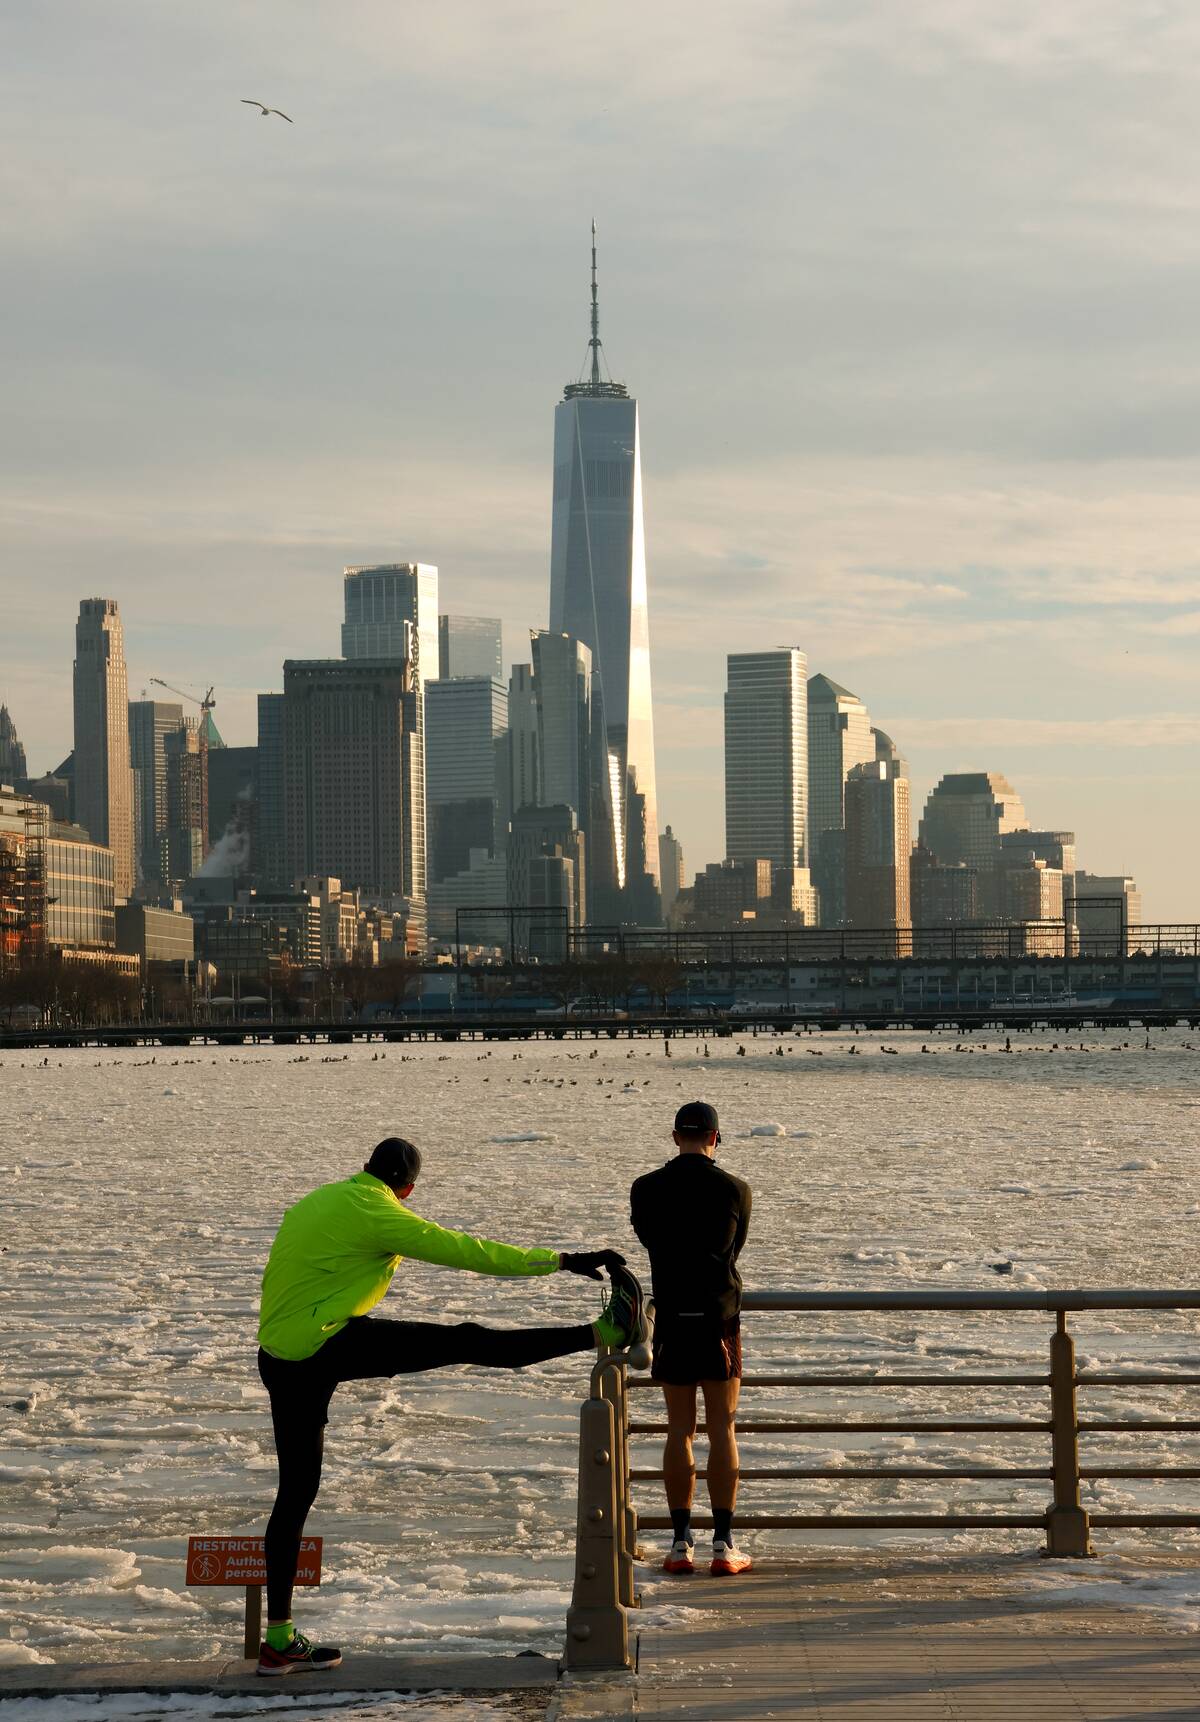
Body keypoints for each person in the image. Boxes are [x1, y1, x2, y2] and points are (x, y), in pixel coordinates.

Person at [255, 1135, 645, 1676]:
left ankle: (277, 1640)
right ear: (408, 1188)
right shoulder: (380, 1213)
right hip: (324, 1345)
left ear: (365, 1167)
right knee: (466, 1339)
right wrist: (565, 1260)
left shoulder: (317, 1200)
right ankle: (601, 1331)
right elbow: (470, 1252)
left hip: (278, 1355)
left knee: (295, 1494)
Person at [629, 1101, 752, 1577]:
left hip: (674, 1316)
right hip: (719, 1315)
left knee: (679, 1428)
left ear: (675, 1136)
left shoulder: (647, 1188)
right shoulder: (734, 1189)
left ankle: (681, 1543)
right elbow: (733, 1248)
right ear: (716, 1138)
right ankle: (723, 1543)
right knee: (722, 1426)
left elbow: (649, 1240)